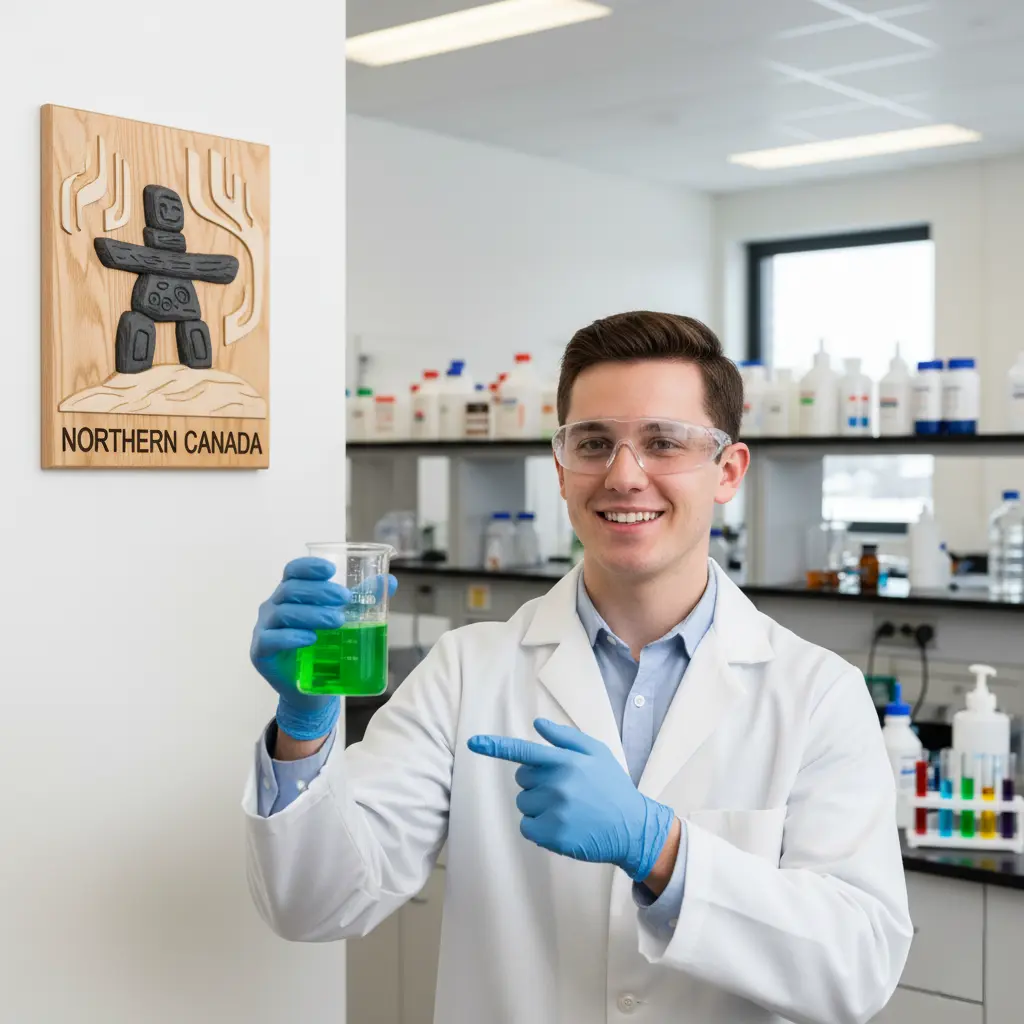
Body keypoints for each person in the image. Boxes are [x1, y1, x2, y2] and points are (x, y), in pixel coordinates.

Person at [244, 312, 912, 1024]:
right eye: (595, 443)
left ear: (728, 471)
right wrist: (306, 726)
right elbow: (317, 903)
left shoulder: (816, 694)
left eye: (663, 442)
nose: (625, 476)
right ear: (562, 471)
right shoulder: (467, 671)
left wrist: (661, 850)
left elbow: (857, 967)